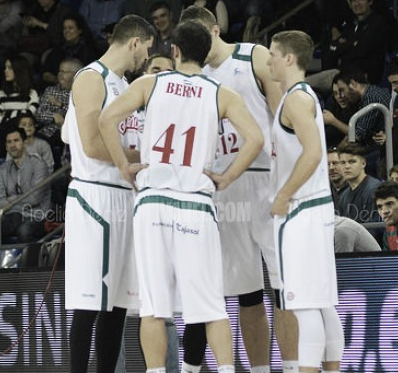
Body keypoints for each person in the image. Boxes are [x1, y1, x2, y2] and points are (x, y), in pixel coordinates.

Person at [97, 20, 262, 373]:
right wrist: (226, 178)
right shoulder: (221, 92)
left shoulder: (150, 83)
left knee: (155, 307)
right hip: (196, 205)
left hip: (153, 202)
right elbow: (256, 139)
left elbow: (106, 119)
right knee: (210, 306)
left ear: (174, 51)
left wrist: (125, 167)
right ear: (206, 54)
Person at [179, 6, 292, 373]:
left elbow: (282, 116)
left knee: (284, 287)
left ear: (215, 29)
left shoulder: (252, 55)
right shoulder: (191, 79)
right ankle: (259, 369)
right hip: (222, 188)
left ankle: (292, 367)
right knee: (246, 292)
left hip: (264, 178)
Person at [61, 14, 154, 373]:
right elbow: (92, 144)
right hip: (95, 198)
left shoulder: (123, 85)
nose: (145, 57)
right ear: (134, 42)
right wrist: (145, 156)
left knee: (116, 305)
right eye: (146, 49)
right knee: (89, 303)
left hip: (124, 195)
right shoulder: (90, 78)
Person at [267, 30, 343, 373]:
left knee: (306, 304)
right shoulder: (299, 95)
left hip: (302, 208)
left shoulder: (297, 99)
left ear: (288, 58)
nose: (268, 60)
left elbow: (313, 153)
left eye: (272, 54)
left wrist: (283, 194)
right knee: (323, 303)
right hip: (314, 208)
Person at [0, 127, 50, 265]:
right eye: (9, 142)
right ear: (5, 146)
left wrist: (10, 200)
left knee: (24, 230)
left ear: (24, 143)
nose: (13, 145)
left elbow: (35, 198)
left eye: (16, 141)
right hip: (12, 216)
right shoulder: (2, 170)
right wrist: (17, 202)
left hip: (36, 216)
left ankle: (29, 271)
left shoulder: (39, 165)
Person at [0, 56, 40, 158]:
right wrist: (16, 116)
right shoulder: (1, 94)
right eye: (5, 68)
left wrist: (7, 116)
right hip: (2, 133)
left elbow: (28, 115)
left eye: (9, 68)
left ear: (19, 70)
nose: (5, 71)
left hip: (22, 134)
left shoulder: (31, 93)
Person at [40, 14, 99, 86]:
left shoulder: (89, 50)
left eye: (70, 28)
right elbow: (45, 72)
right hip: (57, 87)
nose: (66, 31)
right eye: (64, 28)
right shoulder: (58, 49)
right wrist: (57, 80)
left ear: (80, 30)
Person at [36, 58, 82, 148]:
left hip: (74, 135)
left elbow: (79, 116)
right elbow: (39, 114)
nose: (60, 75)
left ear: (76, 74)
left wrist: (60, 105)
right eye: (59, 71)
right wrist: (53, 116)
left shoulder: (82, 92)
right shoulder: (50, 91)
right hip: (48, 133)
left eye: (64, 72)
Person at [337, 142, 382, 224]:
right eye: (343, 163)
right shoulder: (343, 196)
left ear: (363, 163)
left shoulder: (375, 189)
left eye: (352, 162)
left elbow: (375, 229)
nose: (347, 166)